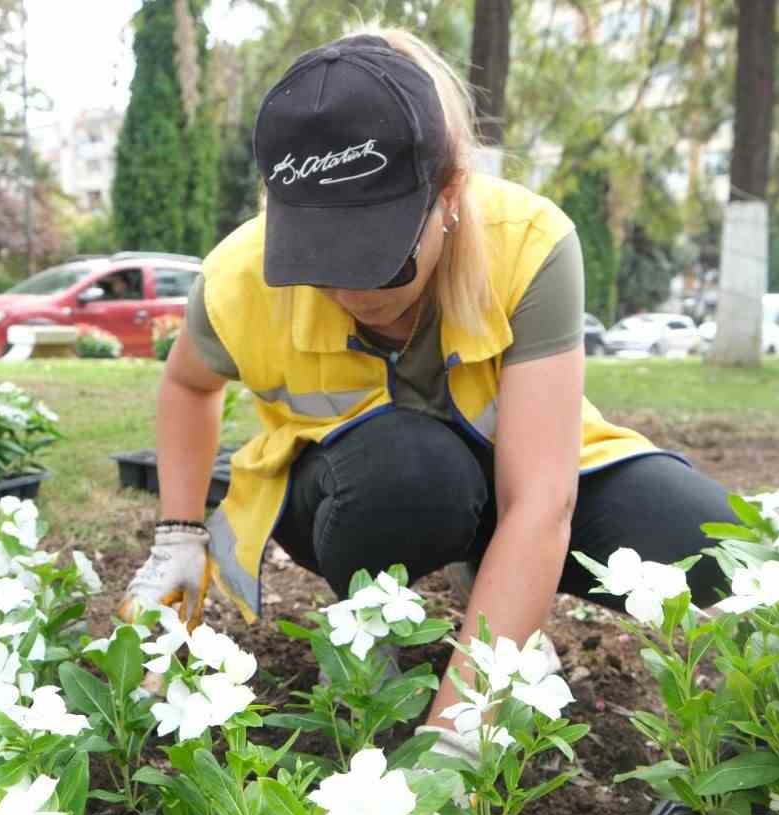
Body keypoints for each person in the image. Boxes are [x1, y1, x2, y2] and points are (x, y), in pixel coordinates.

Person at [119, 28, 735, 736]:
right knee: (414, 474)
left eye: (378, 259)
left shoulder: (529, 244)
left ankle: (493, 586)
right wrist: (178, 532)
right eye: (321, 260)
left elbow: (540, 498)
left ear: (448, 194)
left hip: (514, 470)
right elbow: (188, 385)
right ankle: (367, 632)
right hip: (359, 489)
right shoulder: (239, 273)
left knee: (714, 546)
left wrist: (454, 741)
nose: (351, 290)